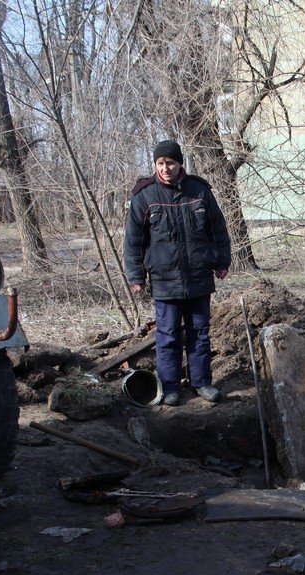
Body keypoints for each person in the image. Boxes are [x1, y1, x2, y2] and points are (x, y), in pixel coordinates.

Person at [124, 140, 232, 406]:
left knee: (200, 333)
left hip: (198, 276)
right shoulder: (144, 195)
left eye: (170, 163)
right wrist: (136, 276)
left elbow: (217, 229)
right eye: (160, 164)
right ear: (155, 165)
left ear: (180, 163)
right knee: (168, 335)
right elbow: (133, 240)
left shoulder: (199, 191)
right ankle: (170, 386)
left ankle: (202, 383)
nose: (165, 169)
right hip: (164, 279)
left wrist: (222, 261)